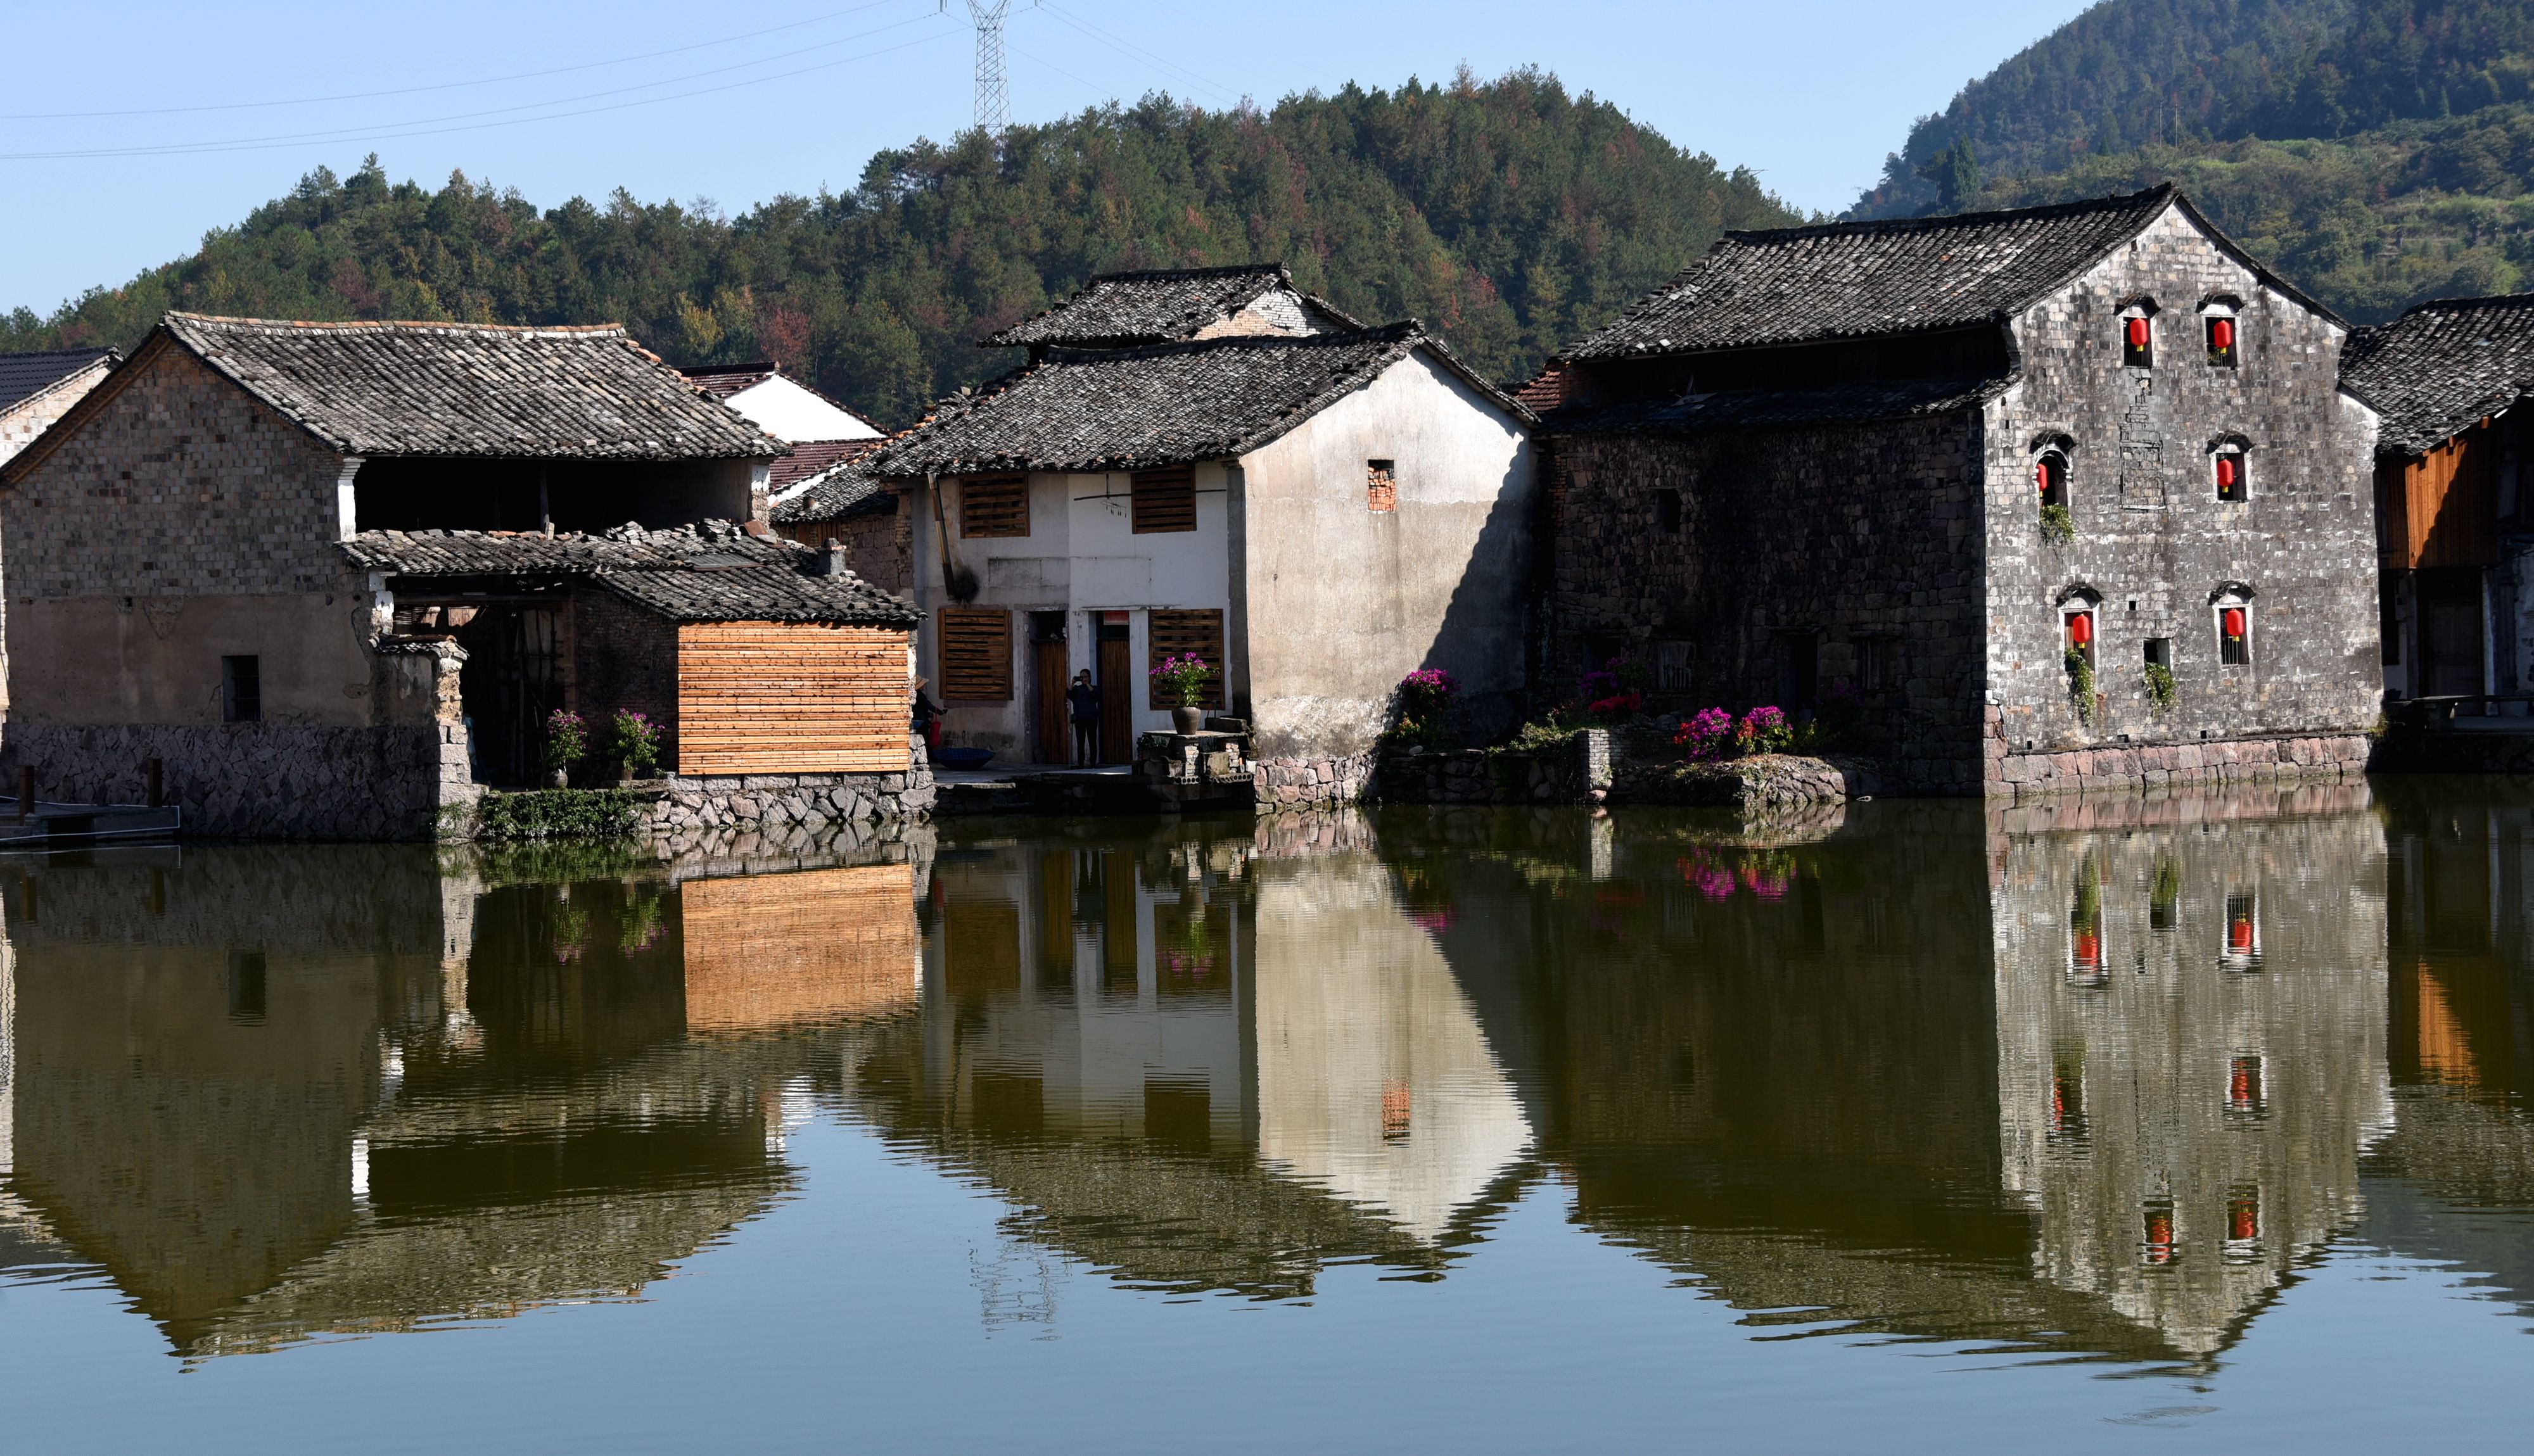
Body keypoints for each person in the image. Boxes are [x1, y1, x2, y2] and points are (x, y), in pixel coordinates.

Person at [1067, 669, 1101, 766]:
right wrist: (1072, 683)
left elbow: (1095, 695)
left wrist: (1087, 684)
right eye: (1082, 677)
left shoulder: (1094, 688)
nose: (1084, 679)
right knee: (1080, 743)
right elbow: (1069, 694)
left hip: (1091, 719)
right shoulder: (1077, 689)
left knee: (1092, 742)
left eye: (1086, 676)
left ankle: (1093, 764)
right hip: (1080, 719)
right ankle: (1081, 764)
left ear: (1090, 677)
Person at [911, 677, 943, 756]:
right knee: (925, 738)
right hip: (921, 721)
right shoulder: (920, 696)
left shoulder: (916, 695)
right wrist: (939, 712)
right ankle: (929, 756)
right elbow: (928, 705)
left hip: (918, 719)